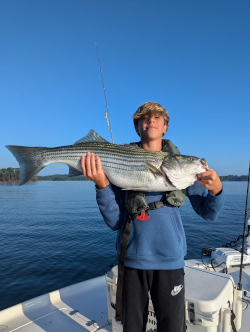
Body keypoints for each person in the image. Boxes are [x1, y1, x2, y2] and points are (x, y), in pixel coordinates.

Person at [81, 102, 224, 332]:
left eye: (158, 116)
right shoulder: (119, 160)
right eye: (144, 117)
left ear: (165, 127)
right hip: (131, 261)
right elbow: (115, 221)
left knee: (172, 327)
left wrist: (216, 190)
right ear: (137, 127)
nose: (151, 119)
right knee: (132, 327)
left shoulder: (181, 170)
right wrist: (101, 184)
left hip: (170, 261)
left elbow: (209, 213)